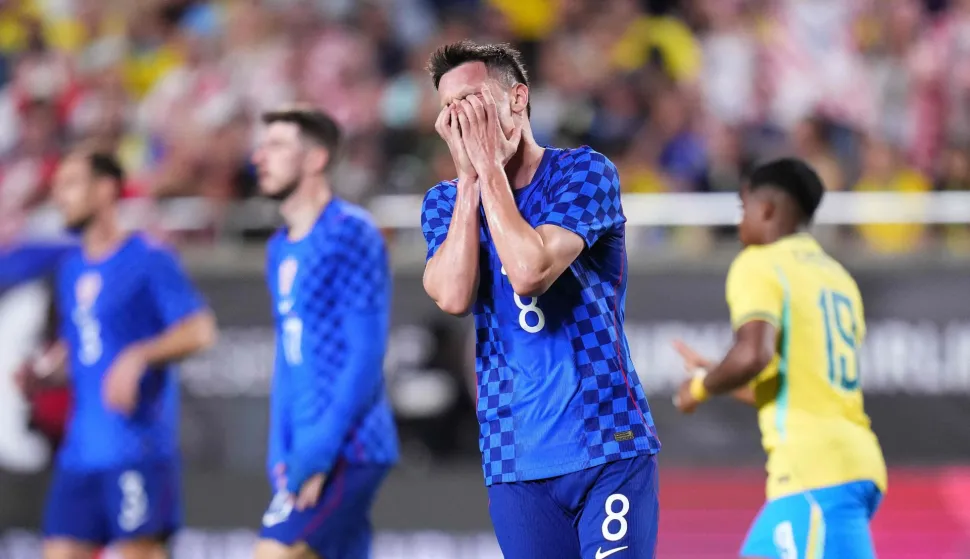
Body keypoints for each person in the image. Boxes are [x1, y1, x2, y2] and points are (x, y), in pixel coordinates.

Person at [421, 41, 661, 559]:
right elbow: (452, 294)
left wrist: (486, 171)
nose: (463, 121)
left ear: (517, 99)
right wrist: (470, 180)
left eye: (474, 101)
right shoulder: (444, 201)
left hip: (607, 444)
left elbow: (530, 271)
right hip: (515, 460)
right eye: (449, 110)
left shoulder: (584, 173)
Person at [672, 158, 887, 559]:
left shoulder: (760, 262)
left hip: (814, 474)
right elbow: (792, 386)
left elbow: (753, 353)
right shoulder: (838, 276)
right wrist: (716, 373)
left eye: (743, 208)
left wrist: (700, 387)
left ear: (766, 209)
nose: (739, 223)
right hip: (843, 464)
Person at [13, 150, 218, 559]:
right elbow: (87, 350)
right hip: (80, 453)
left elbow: (200, 330)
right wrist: (46, 373)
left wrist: (139, 355)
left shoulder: (147, 257)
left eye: (70, 185)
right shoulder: (71, 269)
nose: (59, 198)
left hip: (136, 449)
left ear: (106, 190)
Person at [251, 106, 399, 559]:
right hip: (304, 446)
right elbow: (288, 356)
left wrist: (318, 449)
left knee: (274, 553)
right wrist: (280, 445)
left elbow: (365, 353)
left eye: (276, 145)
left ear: (315, 159)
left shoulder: (349, 232)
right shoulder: (279, 248)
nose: (260, 157)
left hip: (349, 446)